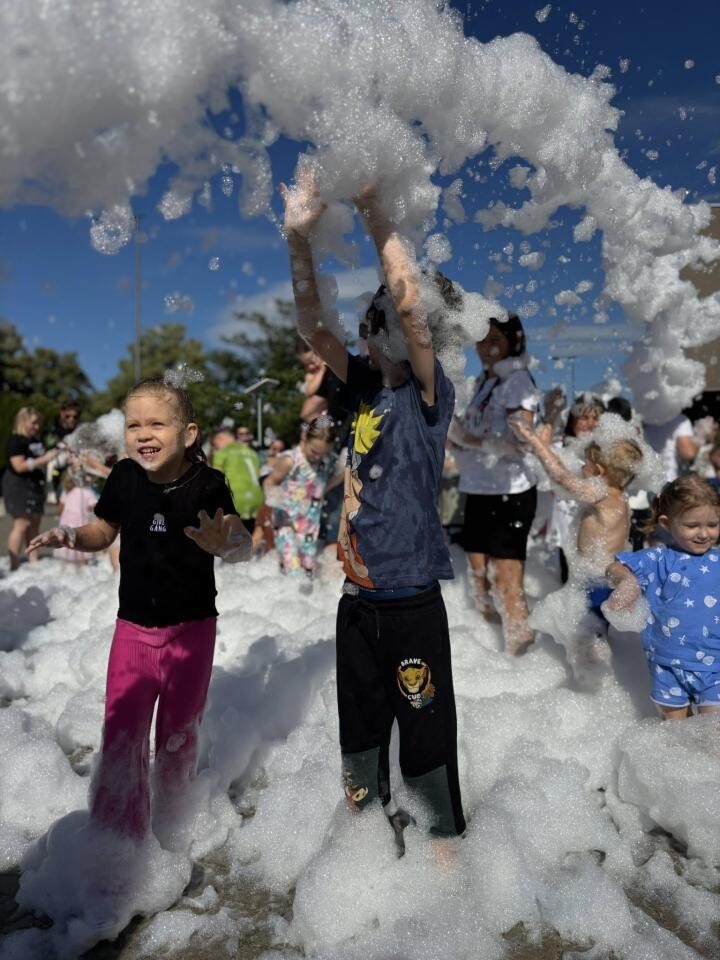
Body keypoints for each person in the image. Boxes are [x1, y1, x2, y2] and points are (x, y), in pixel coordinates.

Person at [282, 168, 466, 851]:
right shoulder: (360, 389)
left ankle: (441, 845)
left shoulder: (427, 397)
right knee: (358, 723)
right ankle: (364, 840)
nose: (364, 338)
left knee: (424, 723)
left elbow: (412, 305)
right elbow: (310, 324)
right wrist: (297, 238)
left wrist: (376, 213)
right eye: (364, 327)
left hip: (412, 603)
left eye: (375, 326)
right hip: (357, 601)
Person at [28, 376, 251, 845]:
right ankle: (116, 841)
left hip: (192, 632)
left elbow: (239, 538)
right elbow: (102, 530)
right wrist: (70, 537)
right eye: (133, 425)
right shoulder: (125, 477)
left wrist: (229, 543)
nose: (143, 434)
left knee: (178, 734)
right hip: (133, 631)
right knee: (122, 735)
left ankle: (173, 826)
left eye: (156, 424)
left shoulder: (207, 484)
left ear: (189, 434)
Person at [512, 418, 643, 679]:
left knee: (586, 644)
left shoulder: (602, 496)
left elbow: (560, 477)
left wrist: (536, 442)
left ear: (599, 472)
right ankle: (602, 686)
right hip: (601, 578)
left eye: (586, 464)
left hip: (594, 581)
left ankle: (591, 690)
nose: (581, 468)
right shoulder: (621, 500)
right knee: (594, 639)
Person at [449, 314, 539, 655]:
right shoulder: (481, 382)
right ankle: (489, 654)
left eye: (495, 339)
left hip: (511, 491)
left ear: (513, 342)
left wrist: (474, 441)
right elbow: (472, 435)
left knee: (506, 578)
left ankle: (521, 654)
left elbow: (524, 440)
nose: (486, 346)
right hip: (477, 487)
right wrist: (456, 438)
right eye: (482, 338)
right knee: (479, 579)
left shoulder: (516, 380)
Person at [605, 475, 720, 719]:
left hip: (715, 666)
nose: (703, 533)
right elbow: (613, 567)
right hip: (666, 664)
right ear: (667, 523)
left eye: (712, 524)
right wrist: (629, 582)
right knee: (674, 736)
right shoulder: (658, 558)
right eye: (692, 526)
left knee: (714, 737)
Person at [263, 417, 338, 576]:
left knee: (308, 572)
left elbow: (322, 484)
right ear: (305, 438)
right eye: (314, 452)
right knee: (293, 570)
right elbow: (269, 482)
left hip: (309, 526)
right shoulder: (290, 460)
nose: (317, 457)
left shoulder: (327, 461)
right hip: (286, 523)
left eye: (323, 453)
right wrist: (275, 497)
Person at [546, 394, 606, 583]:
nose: (590, 423)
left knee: (595, 573)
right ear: (572, 421)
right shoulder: (560, 445)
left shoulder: (606, 448)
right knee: (568, 573)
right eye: (584, 418)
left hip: (595, 519)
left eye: (595, 418)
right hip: (566, 517)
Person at [3, 407, 61, 570]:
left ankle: (33, 560)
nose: (37, 427)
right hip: (18, 485)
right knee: (21, 524)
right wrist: (45, 458)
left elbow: (42, 460)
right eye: (33, 423)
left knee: (35, 523)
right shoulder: (16, 440)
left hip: (36, 486)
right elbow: (19, 466)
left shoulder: (36, 441)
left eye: (38, 424)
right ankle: (14, 565)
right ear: (23, 421)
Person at [211, 426, 264, 534]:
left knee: (233, 544)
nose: (215, 448)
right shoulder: (253, 453)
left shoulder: (223, 453)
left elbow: (215, 480)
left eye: (215, 445)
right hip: (257, 500)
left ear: (220, 439)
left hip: (235, 501)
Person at [55, 466, 99, 565]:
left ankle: (67, 567)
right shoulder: (87, 492)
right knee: (80, 544)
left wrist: (59, 517)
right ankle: (82, 566)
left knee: (67, 544)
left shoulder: (67, 490)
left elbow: (61, 506)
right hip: (81, 523)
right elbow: (96, 507)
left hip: (66, 522)